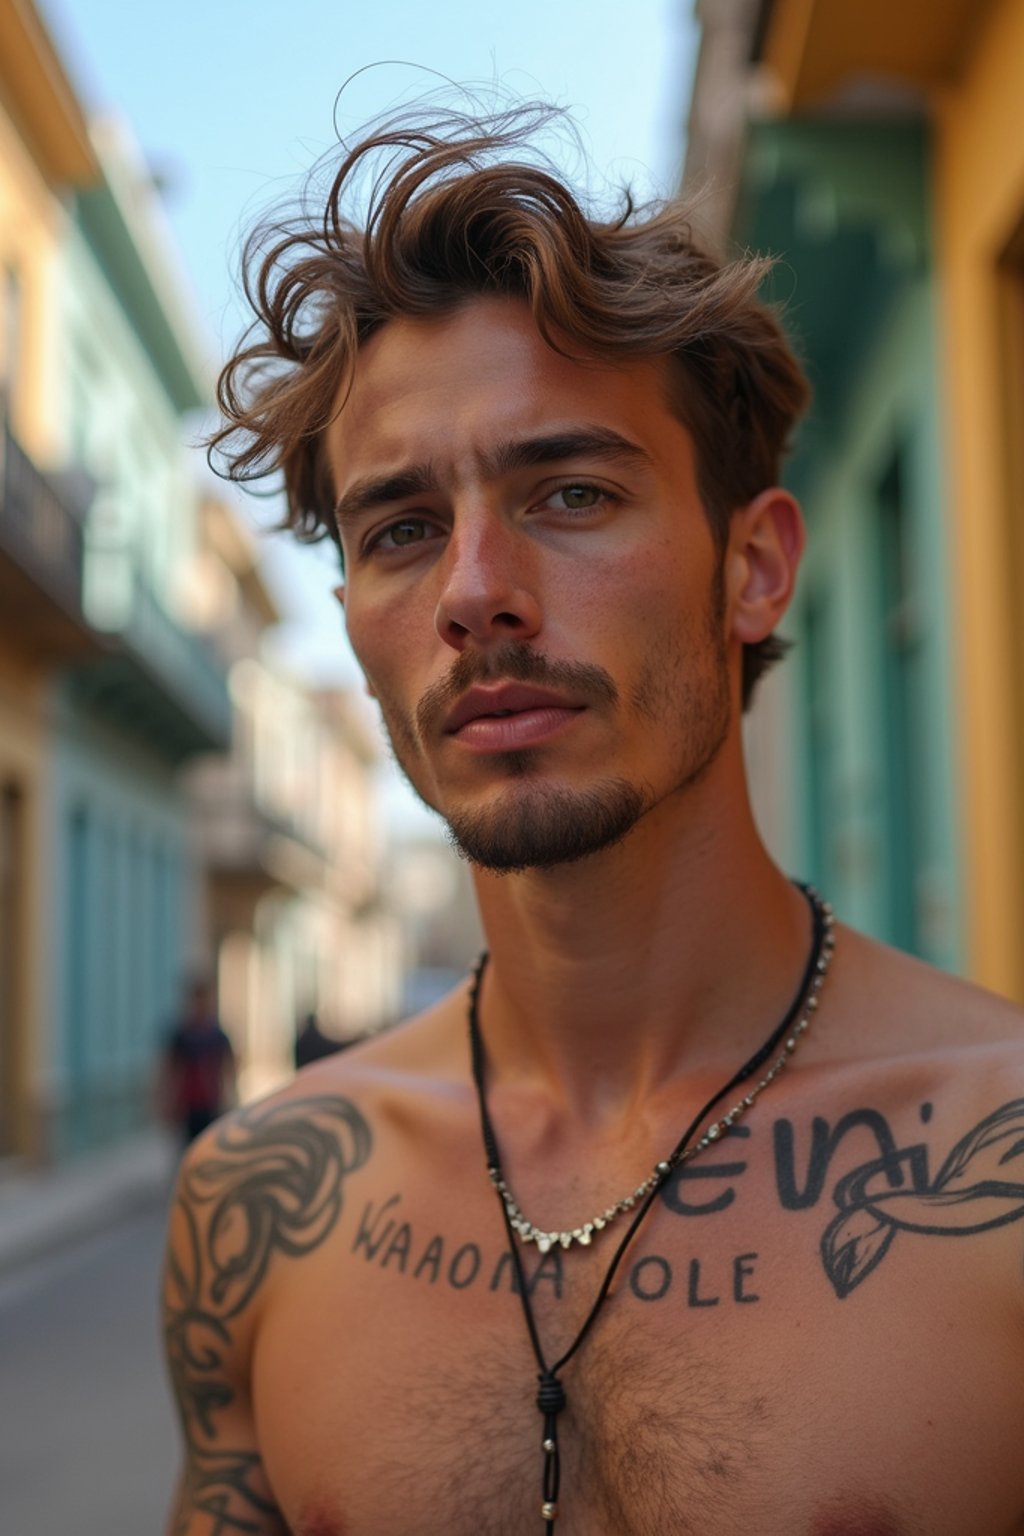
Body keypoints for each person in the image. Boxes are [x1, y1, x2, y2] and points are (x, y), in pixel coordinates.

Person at [162, 105, 1024, 1536]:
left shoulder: (991, 1167)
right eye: (400, 529)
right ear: (357, 627)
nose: (475, 591)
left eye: (570, 492)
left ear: (752, 570)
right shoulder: (265, 1204)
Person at [160, 978, 236, 1146]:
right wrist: (168, 1102)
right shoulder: (182, 1035)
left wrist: (229, 1098)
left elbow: (229, 1068)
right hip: (189, 1105)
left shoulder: (218, 1036)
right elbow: (171, 1069)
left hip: (211, 1103)